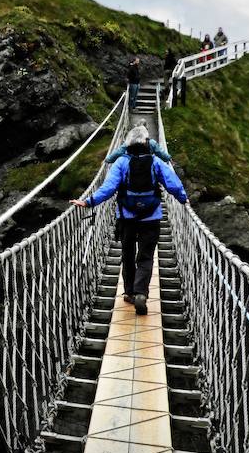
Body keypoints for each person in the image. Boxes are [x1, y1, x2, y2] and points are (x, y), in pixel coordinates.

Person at [70, 126, 188, 314]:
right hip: (151, 217)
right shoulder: (155, 161)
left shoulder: (121, 163)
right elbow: (172, 183)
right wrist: (183, 198)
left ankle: (130, 293)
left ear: (128, 144)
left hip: (126, 217)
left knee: (127, 254)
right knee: (146, 256)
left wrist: (88, 202)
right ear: (146, 142)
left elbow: (108, 188)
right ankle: (141, 293)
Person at [105, 124, 172, 164]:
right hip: (147, 164)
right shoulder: (151, 143)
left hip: (132, 165)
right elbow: (160, 152)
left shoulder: (129, 142)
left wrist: (108, 159)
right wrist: (168, 158)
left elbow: (118, 152)